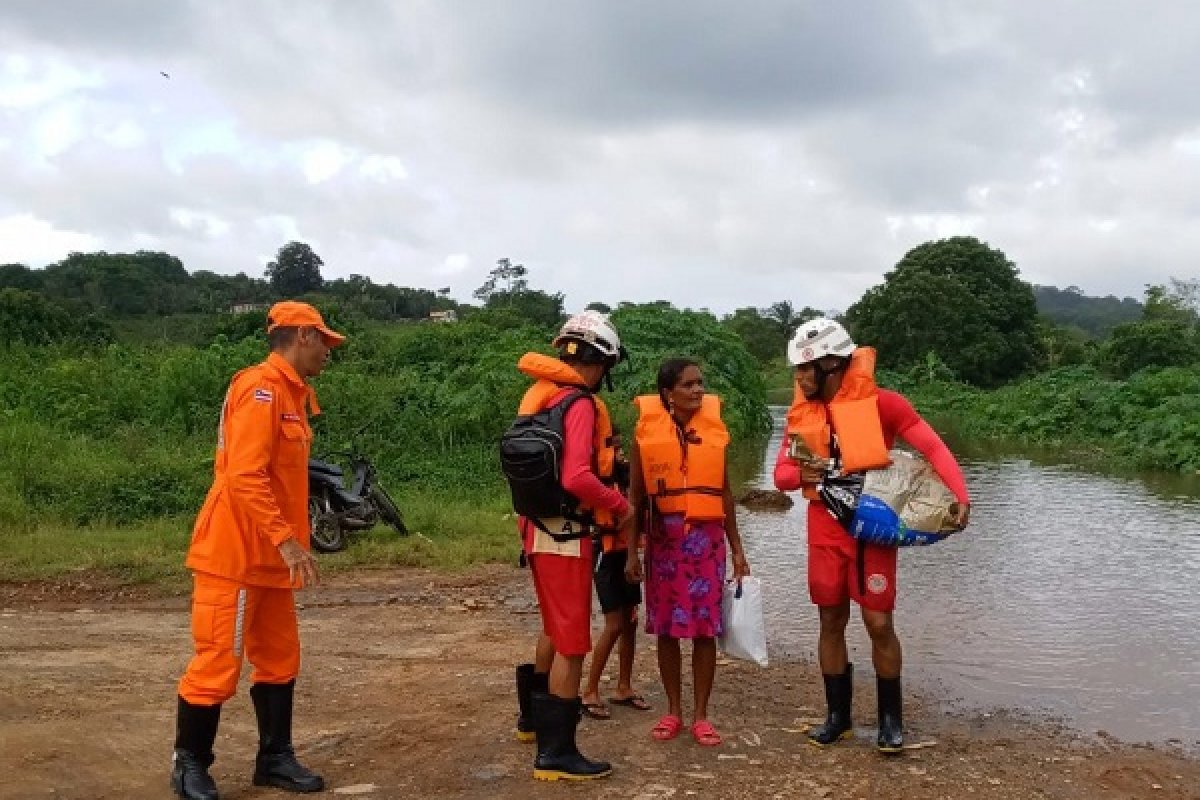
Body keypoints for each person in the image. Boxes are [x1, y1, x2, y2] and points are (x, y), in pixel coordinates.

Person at [170, 301, 344, 800]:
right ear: (303, 336)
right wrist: (287, 540)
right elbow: (244, 475)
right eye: (325, 342)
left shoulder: (293, 394)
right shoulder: (261, 389)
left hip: (270, 555)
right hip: (237, 553)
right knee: (218, 660)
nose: (328, 352)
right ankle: (190, 765)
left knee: (280, 657)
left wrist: (288, 543)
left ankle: (274, 759)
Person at [773, 318, 970, 754]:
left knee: (878, 622)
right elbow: (782, 476)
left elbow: (933, 447)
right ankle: (837, 719)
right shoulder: (802, 415)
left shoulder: (885, 404)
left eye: (806, 369)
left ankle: (890, 722)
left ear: (832, 364)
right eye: (797, 370)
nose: (799, 378)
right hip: (824, 530)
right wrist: (800, 473)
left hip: (873, 528)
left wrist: (960, 495)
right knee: (830, 620)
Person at [511, 311, 634, 781]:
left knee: (552, 628)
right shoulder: (579, 403)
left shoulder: (541, 398)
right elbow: (577, 476)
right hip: (565, 535)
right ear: (600, 362)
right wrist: (618, 505)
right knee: (573, 643)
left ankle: (532, 723)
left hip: (536, 532)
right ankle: (556, 753)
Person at [625, 358, 751, 747]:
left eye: (701, 383)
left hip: (706, 543)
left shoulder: (712, 432)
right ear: (668, 393)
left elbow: (725, 493)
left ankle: (701, 716)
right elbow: (636, 498)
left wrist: (738, 550)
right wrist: (632, 552)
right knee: (666, 629)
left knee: (704, 630)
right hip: (664, 544)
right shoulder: (645, 434)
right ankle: (673, 712)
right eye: (689, 385)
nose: (698, 390)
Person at [580, 429, 651, 721]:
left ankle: (624, 686)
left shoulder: (626, 476)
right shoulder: (594, 478)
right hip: (605, 554)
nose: (619, 454)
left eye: (621, 449)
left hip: (627, 553)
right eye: (615, 449)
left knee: (631, 620)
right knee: (613, 625)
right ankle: (590, 691)